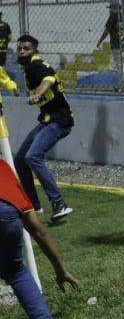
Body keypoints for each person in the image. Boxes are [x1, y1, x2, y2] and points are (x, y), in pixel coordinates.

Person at [0, 159, 80, 319]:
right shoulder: (4, 171)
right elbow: (39, 232)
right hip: (6, 216)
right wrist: (61, 270)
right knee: (16, 272)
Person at [14, 35, 75, 219]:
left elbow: (48, 79)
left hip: (59, 121)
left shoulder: (36, 65)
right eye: (19, 49)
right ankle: (34, 206)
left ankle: (59, 204)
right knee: (20, 160)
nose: (22, 51)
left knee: (32, 156)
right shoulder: (27, 68)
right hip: (48, 120)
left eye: (26, 48)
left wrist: (37, 94)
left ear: (35, 51)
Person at [96, 0, 124, 90]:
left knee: (119, 67)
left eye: (111, 8)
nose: (109, 10)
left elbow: (107, 31)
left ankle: (121, 86)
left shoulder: (113, 17)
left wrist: (99, 42)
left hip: (116, 46)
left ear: (115, 9)